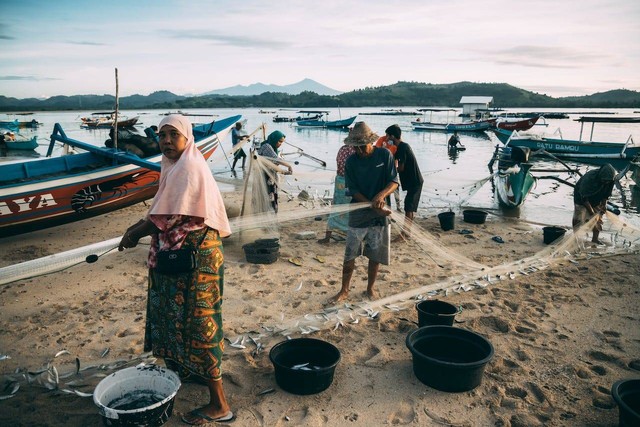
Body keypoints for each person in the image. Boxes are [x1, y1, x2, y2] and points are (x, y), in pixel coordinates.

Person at [118, 115, 234, 425]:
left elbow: (167, 215)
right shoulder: (174, 166)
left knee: (200, 324)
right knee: (172, 316)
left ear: (187, 138)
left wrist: (134, 232)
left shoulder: (188, 167)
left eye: (173, 135)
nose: (166, 140)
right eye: (161, 135)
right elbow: (165, 212)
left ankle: (220, 405)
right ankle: (191, 372)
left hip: (197, 260)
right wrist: (140, 230)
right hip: (179, 255)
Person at [330, 122, 399, 303]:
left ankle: (370, 289)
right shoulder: (351, 161)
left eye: (362, 147)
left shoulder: (384, 155)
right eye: (356, 148)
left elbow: (394, 182)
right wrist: (370, 204)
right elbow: (352, 190)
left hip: (380, 213)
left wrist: (381, 195)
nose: (359, 151)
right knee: (350, 254)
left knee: (375, 254)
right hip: (359, 212)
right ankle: (344, 290)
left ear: (371, 142)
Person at [387, 124, 424, 241]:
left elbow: (401, 168)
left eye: (388, 136)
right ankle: (407, 232)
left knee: (408, 208)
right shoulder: (401, 147)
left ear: (393, 136)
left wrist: (390, 172)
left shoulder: (403, 147)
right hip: (414, 181)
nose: (387, 139)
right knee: (410, 207)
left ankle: (404, 234)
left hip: (415, 181)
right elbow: (394, 160)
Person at [318, 143, 356, 244]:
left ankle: (327, 237)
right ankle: (350, 235)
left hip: (339, 181)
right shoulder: (356, 151)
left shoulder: (342, 149)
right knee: (350, 208)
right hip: (349, 182)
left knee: (336, 207)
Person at [572, 163, 616, 245]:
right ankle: (576, 238)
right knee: (578, 218)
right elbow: (584, 199)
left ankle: (595, 239)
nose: (606, 182)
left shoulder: (610, 180)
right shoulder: (589, 178)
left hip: (597, 197)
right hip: (581, 196)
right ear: (600, 176)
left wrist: (604, 204)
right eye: (604, 180)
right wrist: (591, 213)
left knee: (598, 219)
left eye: (608, 181)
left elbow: (606, 195)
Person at [257, 130, 293, 213]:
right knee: (269, 194)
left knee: (272, 194)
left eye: (282, 142)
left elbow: (274, 163)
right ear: (274, 139)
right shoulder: (267, 146)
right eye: (279, 141)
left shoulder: (273, 148)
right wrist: (289, 166)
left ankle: (271, 211)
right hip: (265, 175)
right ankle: (269, 212)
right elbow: (276, 159)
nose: (280, 144)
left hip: (269, 175)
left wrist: (283, 171)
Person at [375, 133, 402, 211]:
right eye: (386, 135)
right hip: (383, 169)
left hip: (394, 167)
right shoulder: (381, 139)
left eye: (388, 135)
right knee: (386, 189)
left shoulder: (396, 143)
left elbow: (398, 155)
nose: (387, 137)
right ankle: (388, 208)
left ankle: (398, 206)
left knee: (395, 186)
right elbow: (377, 152)